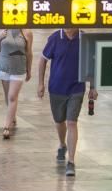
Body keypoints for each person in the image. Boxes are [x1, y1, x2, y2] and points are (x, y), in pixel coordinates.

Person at [38, 28, 92, 178]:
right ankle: (62, 144)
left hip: (77, 88)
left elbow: (91, 63)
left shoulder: (84, 39)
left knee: (72, 122)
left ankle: (71, 162)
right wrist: (40, 84)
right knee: (59, 120)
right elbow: (43, 60)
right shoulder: (55, 38)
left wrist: (93, 87)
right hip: (56, 88)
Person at [0, 27, 32, 139]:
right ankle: (13, 116)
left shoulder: (27, 32)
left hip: (19, 69)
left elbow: (29, 53)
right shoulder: (3, 30)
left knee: (12, 96)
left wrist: (29, 70)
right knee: (8, 96)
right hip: (4, 67)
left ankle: (7, 126)